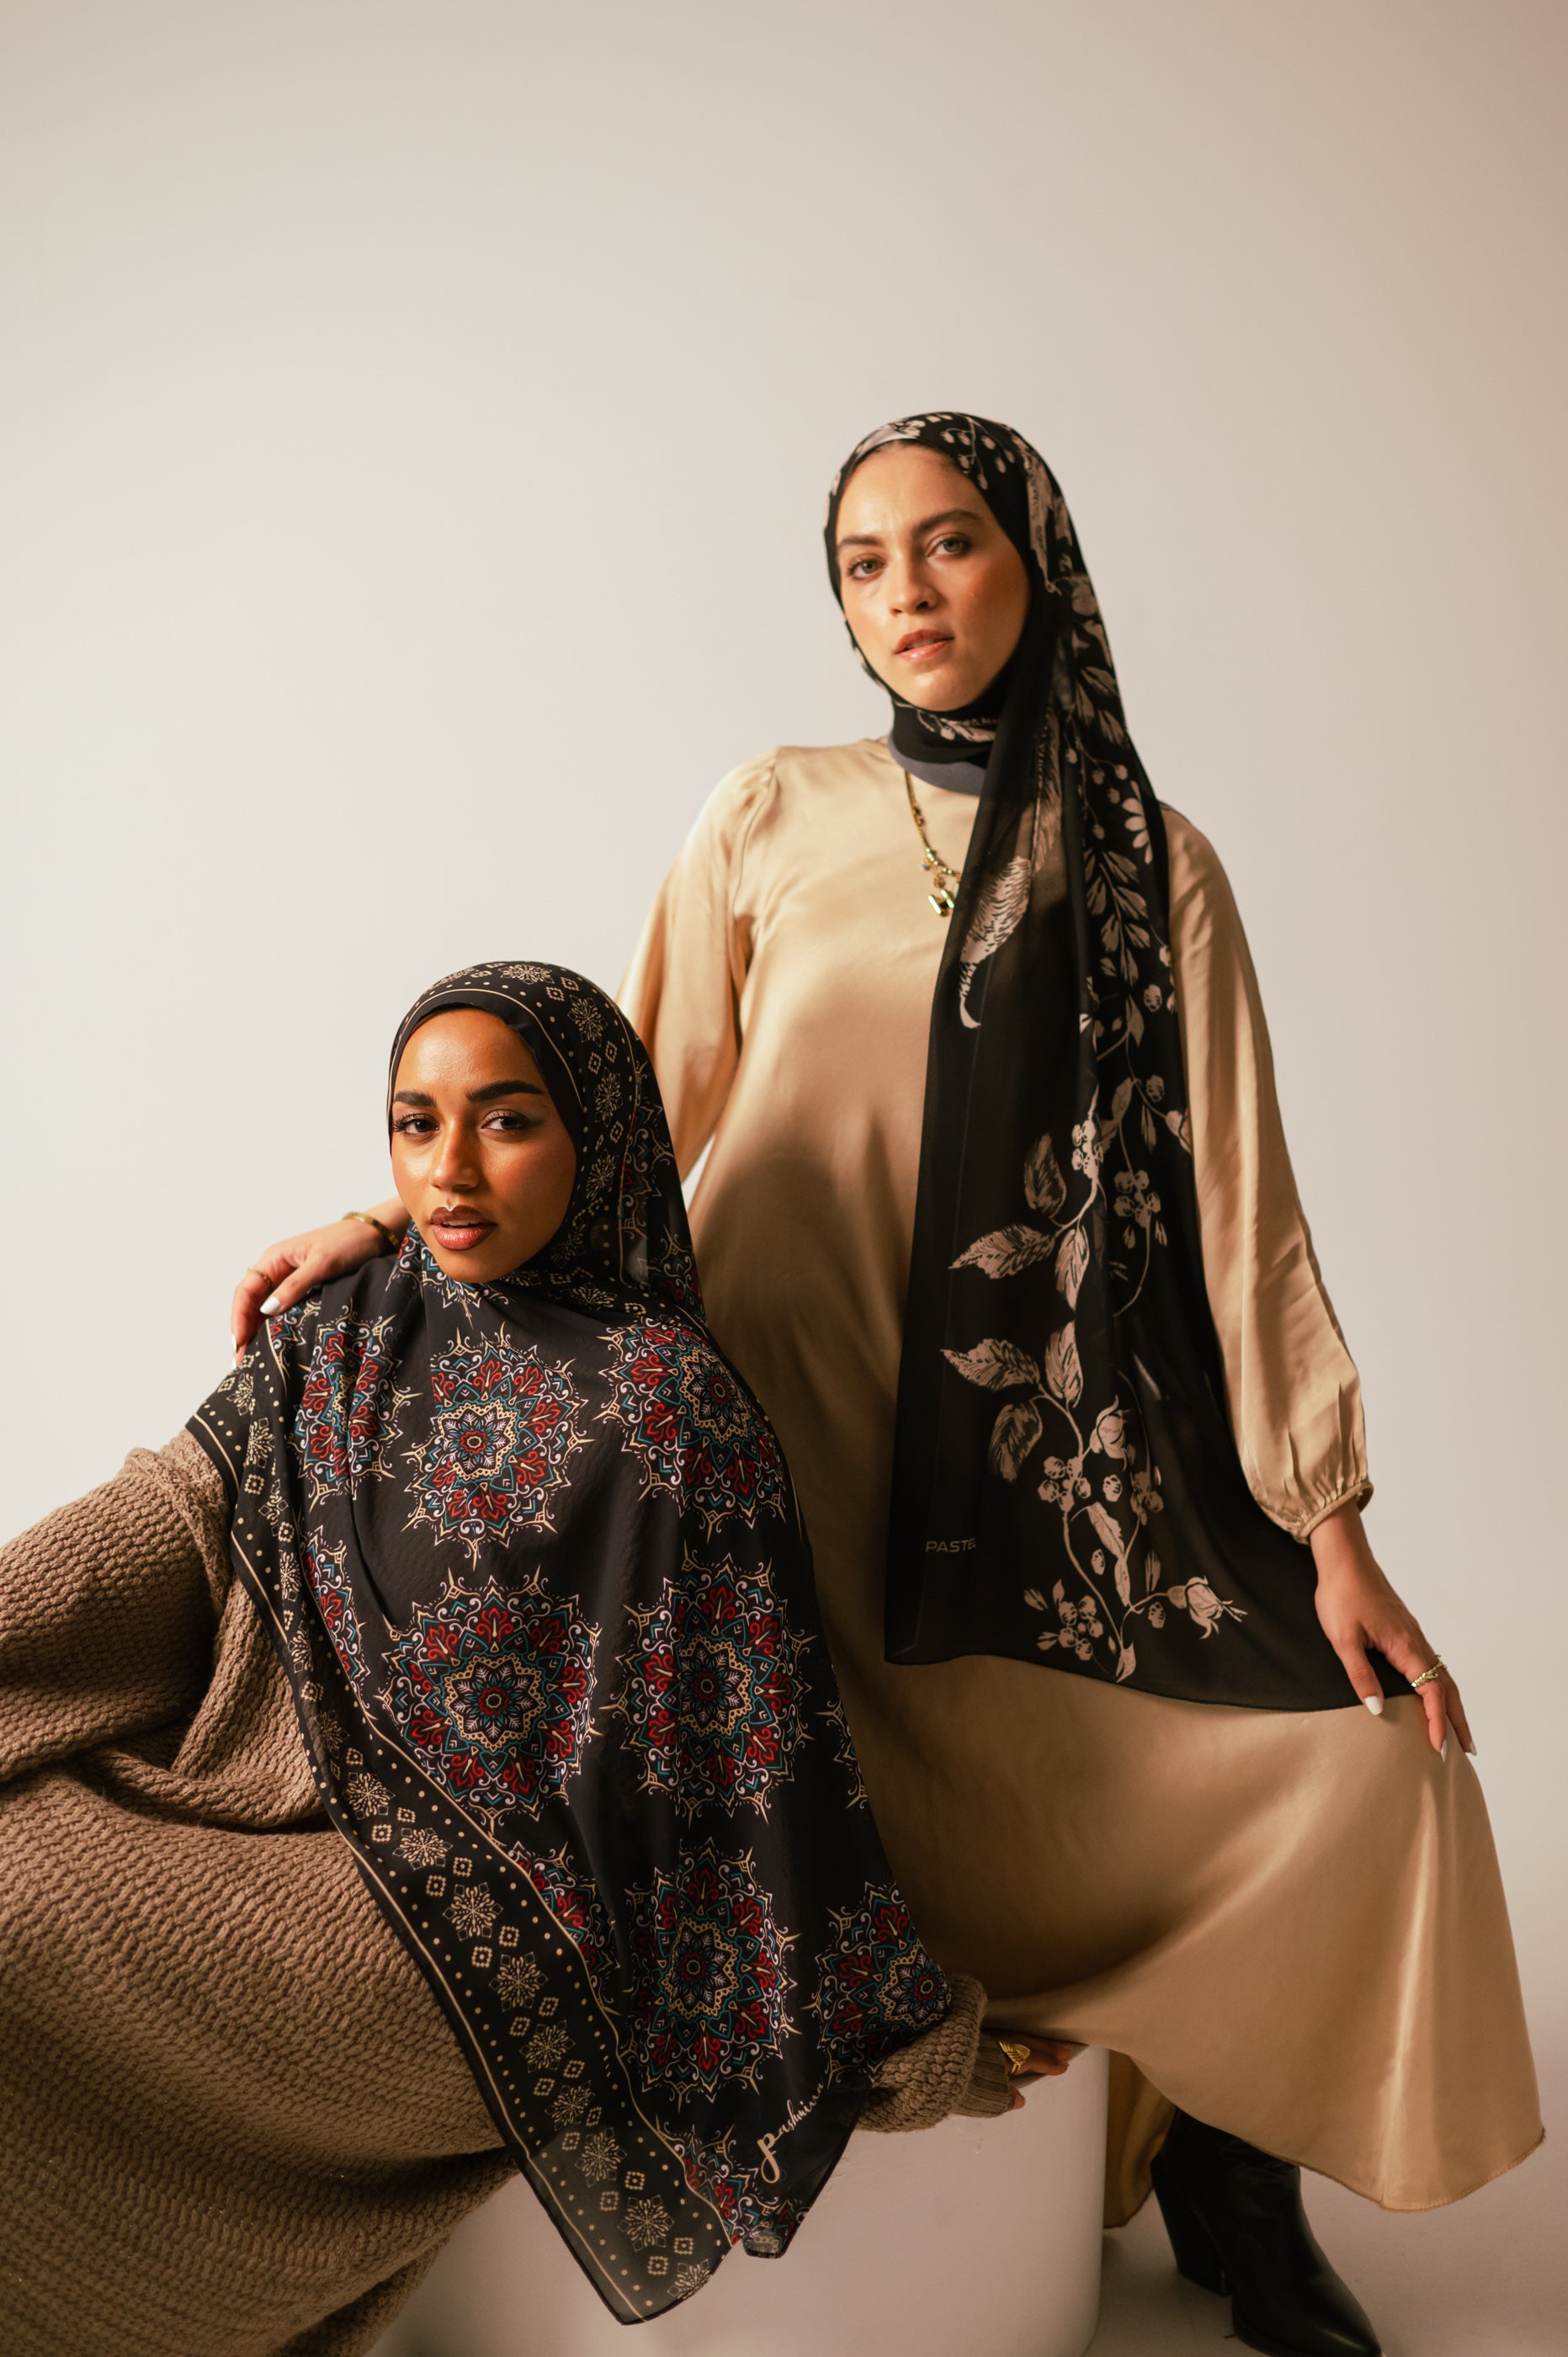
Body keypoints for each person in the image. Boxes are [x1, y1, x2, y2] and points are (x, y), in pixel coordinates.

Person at [231, 421, 1541, 2357]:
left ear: (1036, 562)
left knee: (1362, 1764)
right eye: (862, 561)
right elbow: (613, 1091)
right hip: (756, 1441)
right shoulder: (771, 809)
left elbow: (1236, 1208)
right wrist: (386, 1216)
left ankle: (1231, 2173)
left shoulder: (1148, 864)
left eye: (947, 544)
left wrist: (1324, 1520)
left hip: (1031, 1466)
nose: (906, 593)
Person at [0, 961, 1053, 2357]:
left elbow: (757, 1766)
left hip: (496, 1932)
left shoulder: (671, 1412)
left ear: (596, 1140)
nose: (450, 1169)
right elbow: (158, 1528)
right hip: (258, 1813)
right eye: (415, 1124)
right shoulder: (343, 1332)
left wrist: (912, 2042)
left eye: (505, 1122)